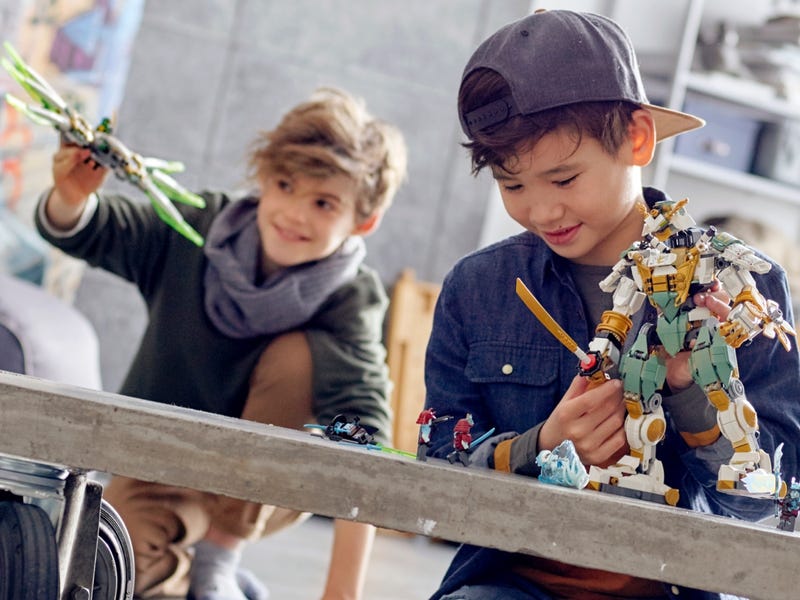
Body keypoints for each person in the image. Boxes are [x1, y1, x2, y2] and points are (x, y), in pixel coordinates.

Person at [423, 9, 800, 600]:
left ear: (637, 139)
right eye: (512, 185)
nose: (542, 211)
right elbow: (434, 468)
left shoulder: (740, 285)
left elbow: (771, 508)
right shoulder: (478, 288)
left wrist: (695, 395)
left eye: (564, 179)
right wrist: (537, 447)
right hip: (509, 585)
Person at [35, 87, 407, 600]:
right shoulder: (199, 228)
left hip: (265, 487)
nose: (294, 214)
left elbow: (363, 436)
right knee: (112, 568)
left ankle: (221, 556)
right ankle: (204, 577)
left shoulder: (349, 297)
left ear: (363, 221)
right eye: (284, 185)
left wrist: (341, 592)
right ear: (264, 179)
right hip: (159, 465)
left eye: (324, 203)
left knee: (301, 358)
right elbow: (94, 229)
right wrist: (73, 197)